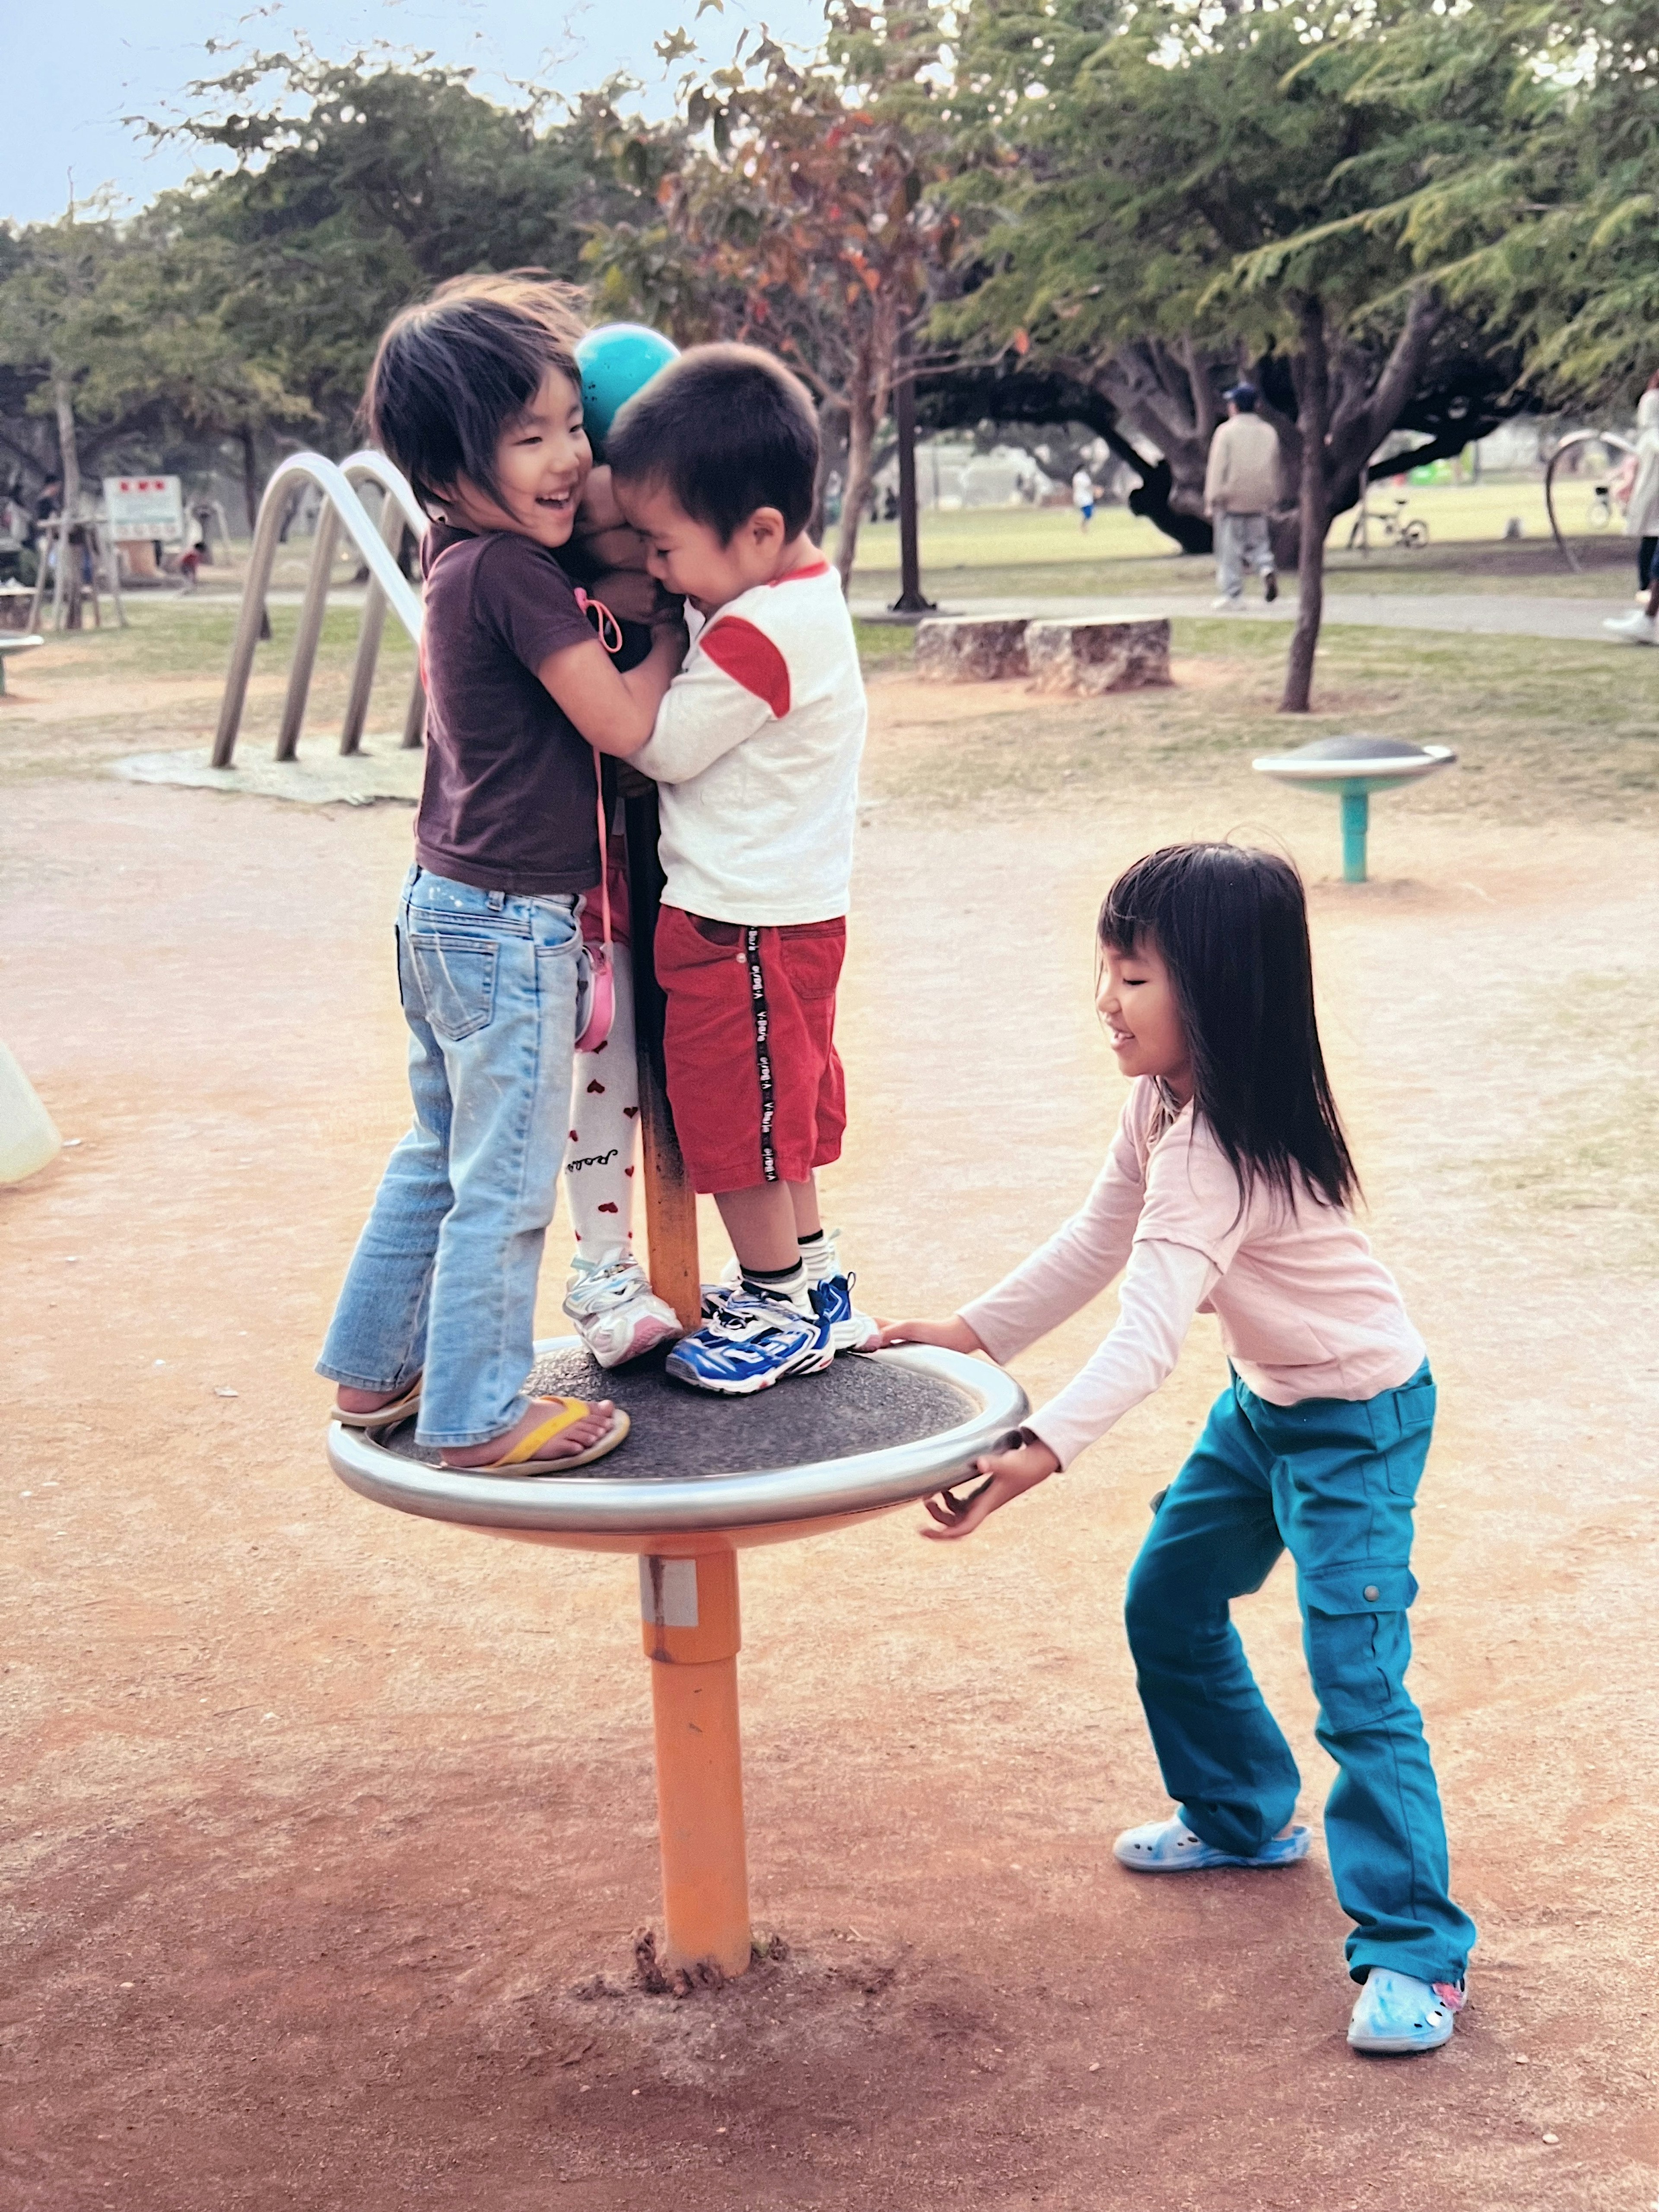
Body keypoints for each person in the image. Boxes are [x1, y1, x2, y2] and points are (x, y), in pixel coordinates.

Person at [874, 843, 1476, 2056]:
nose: (1107, 997)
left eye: (1135, 975)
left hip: (1357, 1427)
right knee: (1171, 1599)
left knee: (1358, 1685)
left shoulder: (1224, 1149)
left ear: (1220, 988)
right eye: (1108, 967)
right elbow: (1100, 1237)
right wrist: (977, 1331)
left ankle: (1420, 1950)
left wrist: (1035, 1451)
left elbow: (1147, 1338)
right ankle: (1243, 1814)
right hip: (1266, 1410)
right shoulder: (1164, 1104)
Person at [316, 283, 686, 1471]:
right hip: (515, 927)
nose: (571, 458)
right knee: (507, 1184)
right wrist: (681, 632)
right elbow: (622, 721)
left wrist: (617, 592)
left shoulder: (464, 558)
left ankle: (377, 1371)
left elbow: (579, 601)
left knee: (435, 1150)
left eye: (574, 425)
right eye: (529, 439)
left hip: (441, 912)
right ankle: (478, 1414)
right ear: (444, 466)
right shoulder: (513, 579)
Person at [605, 344, 873, 1394]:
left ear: (757, 533)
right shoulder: (799, 591)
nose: (656, 571)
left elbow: (662, 745)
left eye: (664, 549)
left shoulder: (755, 633)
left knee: (740, 1126)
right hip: (784, 911)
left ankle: (774, 1304)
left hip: (738, 919)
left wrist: (643, 651)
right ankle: (813, 1286)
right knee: (780, 1116)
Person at [1204, 384, 1280, 608]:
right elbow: (1275, 466)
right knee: (1259, 543)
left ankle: (1233, 595)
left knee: (1229, 549)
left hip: (1231, 498)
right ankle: (1266, 567)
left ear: (1235, 407)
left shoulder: (1226, 432)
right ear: (1256, 406)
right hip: (1260, 497)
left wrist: (1212, 498)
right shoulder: (1269, 432)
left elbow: (1218, 467)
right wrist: (1273, 496)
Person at [1071, 464, 1097, 530]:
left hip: (1084, 497)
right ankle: (1083, 526)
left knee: (1090, 512)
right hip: (1083, 497)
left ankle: (1084, 526)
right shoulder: (1081, 476)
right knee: (1089, 513)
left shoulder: (1078, 476)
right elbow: (1087, 485)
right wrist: (1096, 490)